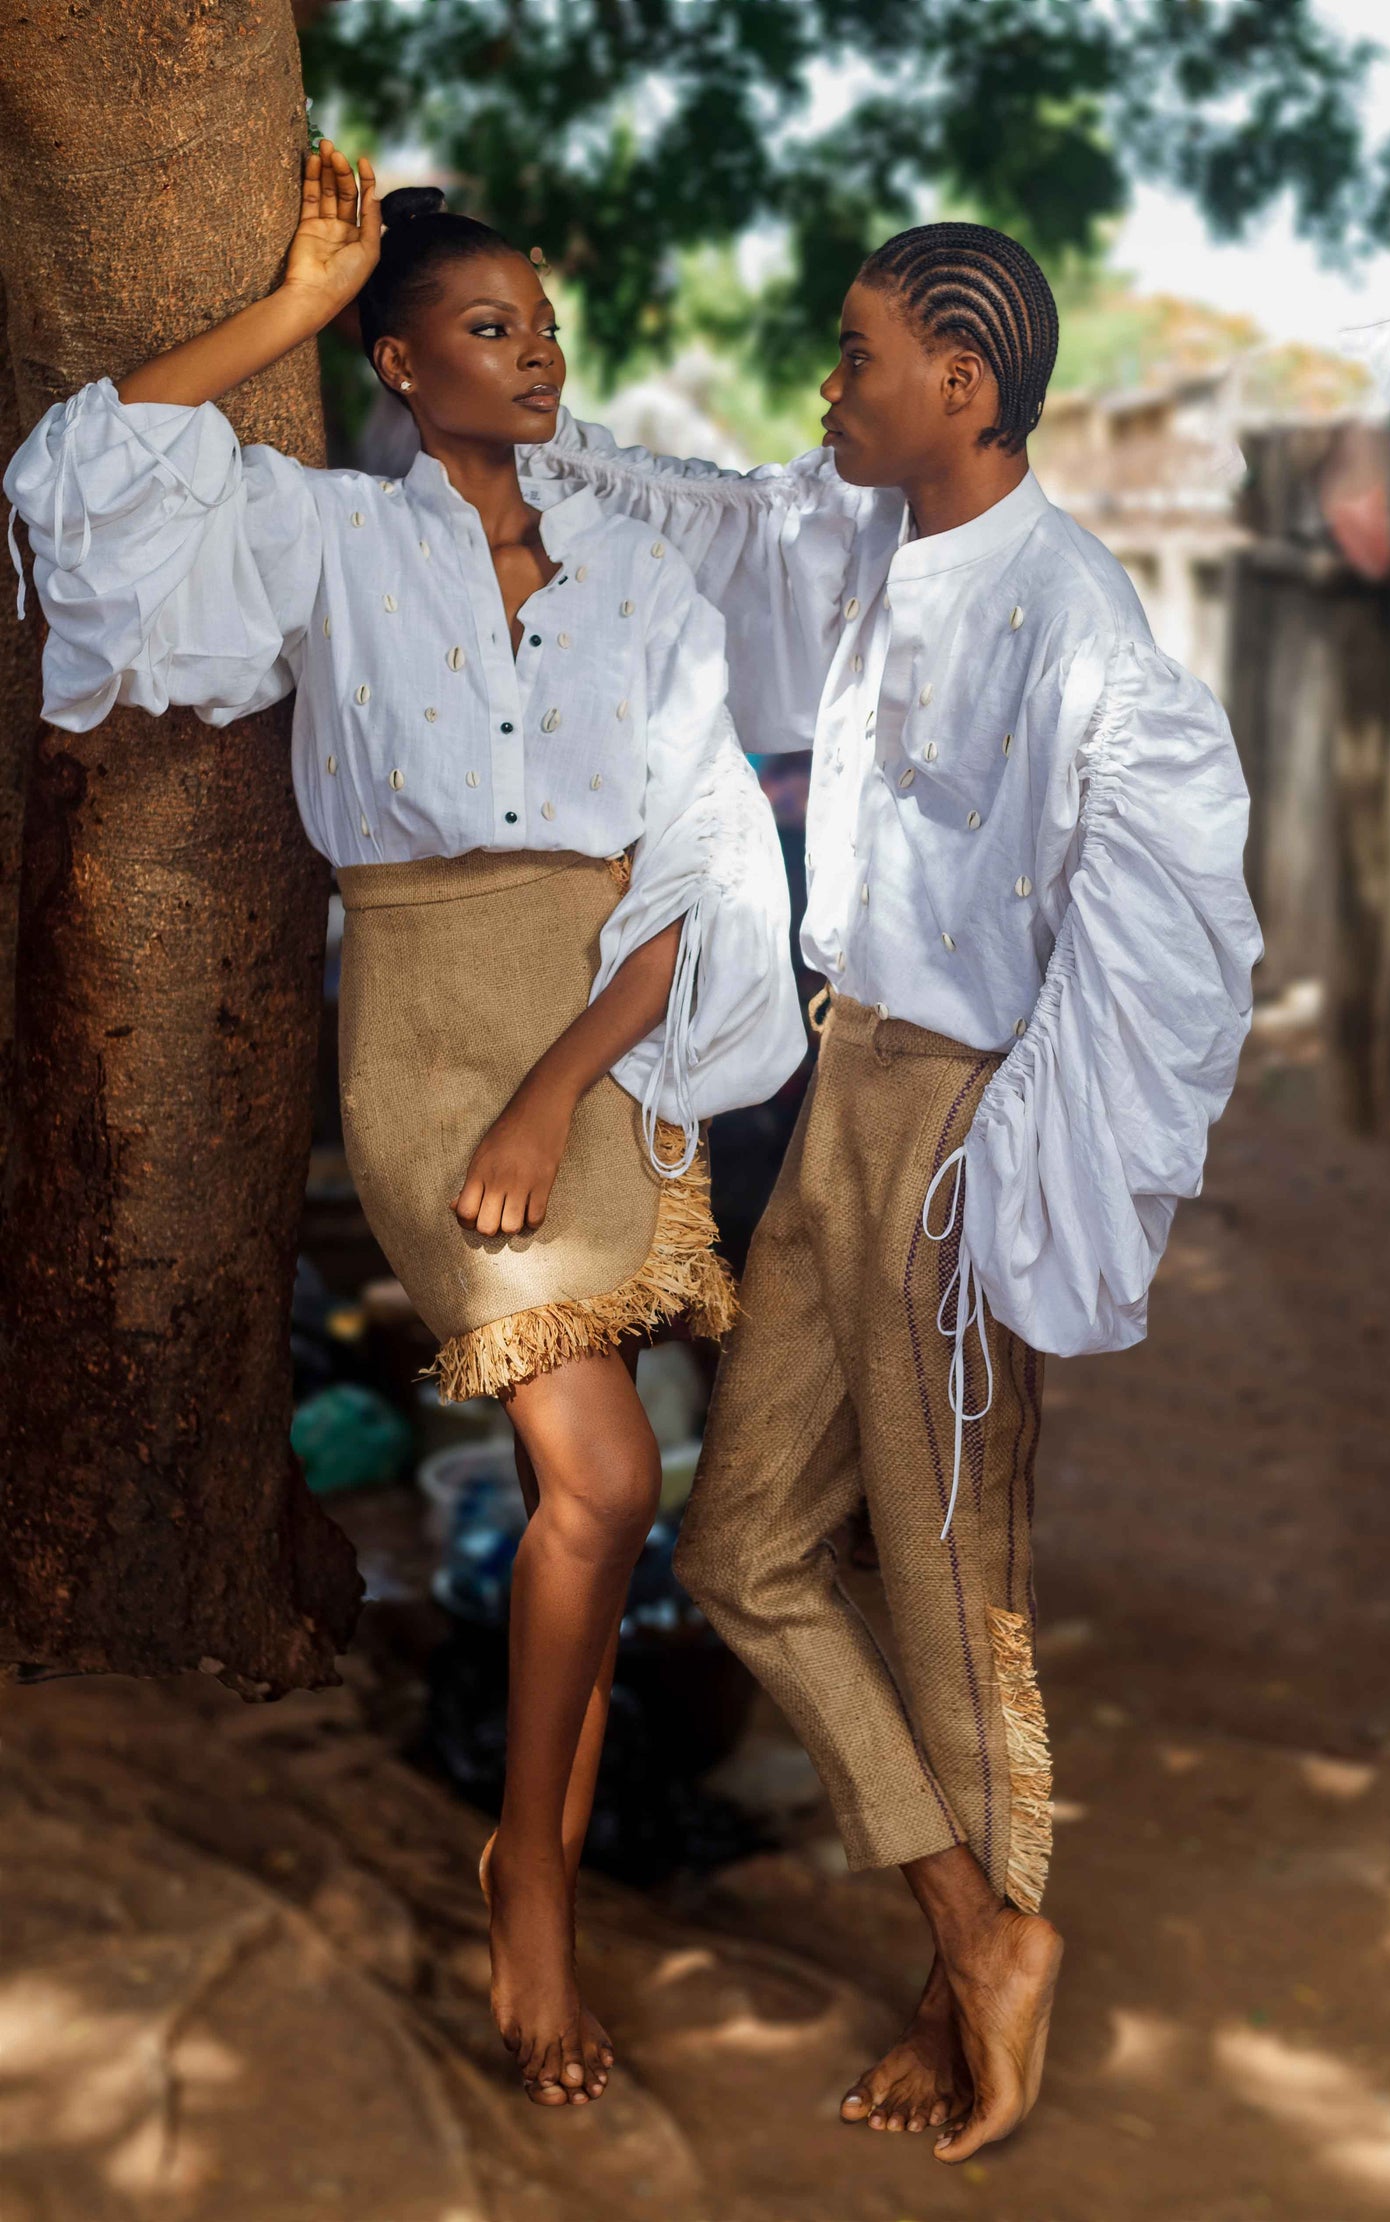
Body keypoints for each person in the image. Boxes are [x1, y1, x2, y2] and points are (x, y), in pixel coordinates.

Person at [4, 147, 803, 2110]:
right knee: (603, 1475)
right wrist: (288, 297)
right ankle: (530, 1884)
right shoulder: (330, 548)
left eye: (543, 325)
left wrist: (576, 1083)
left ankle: (545, 1838)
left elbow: (690, 862)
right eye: (487, 325)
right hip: (436, 1029)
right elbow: (84, 475)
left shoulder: (638, 565)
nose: (535, 356)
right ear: (397, 359)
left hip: (599, 1026)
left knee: (620, 1489)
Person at [518, 221, 1262, 2163]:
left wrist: (1034, 1173)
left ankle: (967, 1993)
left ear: (965, 382)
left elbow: (1179, 943)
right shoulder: (861, 536)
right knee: (750, 1548)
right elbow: (706, 515)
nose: (830, 389)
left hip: (954, 1121)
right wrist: (516, 415)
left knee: (951, 1585)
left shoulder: (1081, 627)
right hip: (843, 1081)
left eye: (856, 359)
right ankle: (982, 1930)